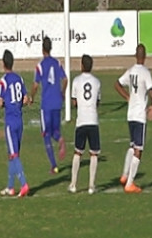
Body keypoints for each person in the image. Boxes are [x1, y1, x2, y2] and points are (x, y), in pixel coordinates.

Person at [114, 44, 152, 194]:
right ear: (145, 56)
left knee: (132, 146)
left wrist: (127, 97)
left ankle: (125, 176)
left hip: (130, 114)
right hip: (139, 115)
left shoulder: (131, 71)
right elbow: (151, 92)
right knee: (139, 149)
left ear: (135, 55)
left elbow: (117, 84)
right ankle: (129, 183)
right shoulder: (145, 72)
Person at [29, 36, 68, 175]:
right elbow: (65, 79)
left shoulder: (40, 66)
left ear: (42, 49)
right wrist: (62, 93)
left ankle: (54, 165)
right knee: (55, 132)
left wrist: (31, 97)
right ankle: (61, 140)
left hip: (46, 104)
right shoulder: (57, 63)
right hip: (57, 102)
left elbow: (35, 85)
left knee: (46, 134)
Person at [0, 49, 31, 198]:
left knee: (14, 155)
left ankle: (24, 184)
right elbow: (25, 99)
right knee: (12, 155)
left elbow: (0, 103)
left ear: (3, 64)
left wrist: (5, 103)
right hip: (20, 120)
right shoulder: (20, 79)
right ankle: (11, 187)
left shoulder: (3, 81)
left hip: (10, 122)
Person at [69, 54, 101, 195]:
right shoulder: (97, 82)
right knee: (93, 153)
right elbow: (98, 101)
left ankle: (74, 184)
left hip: (81, 121)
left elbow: (74, 102)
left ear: (81, 65)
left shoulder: (76, 81)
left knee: (78, 152)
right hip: (93, 120)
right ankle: (91, 186)